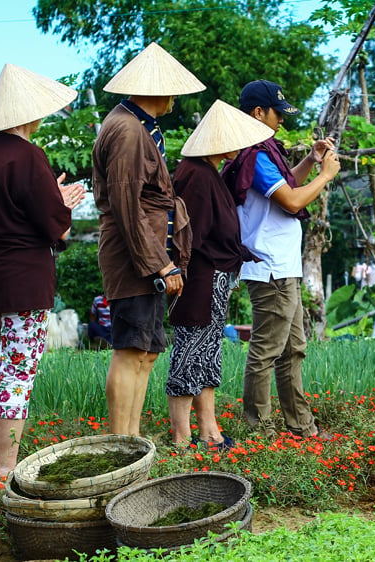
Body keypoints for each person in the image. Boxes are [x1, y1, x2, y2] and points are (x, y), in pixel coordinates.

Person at [0, 64, 82, 480]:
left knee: (1, 370)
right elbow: (54, 223)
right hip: (24, 278)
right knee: (18, 374)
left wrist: (51, 198)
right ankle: (6, 470)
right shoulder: (28, 155)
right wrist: (63, 202)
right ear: (29, 113)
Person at [92, 42, 204, 436]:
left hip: (149, 253)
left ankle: (132, 438)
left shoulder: (140, 125)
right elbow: (126, 204)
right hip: (134, 257)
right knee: (130, 350)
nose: (175, 97)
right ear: (156, 90)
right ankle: (120, 441)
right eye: (171, 89)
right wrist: (161, 262)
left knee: (146, 352)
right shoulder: (125, 129)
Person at [224, 80, 341, 440]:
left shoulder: (262, 153)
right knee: (267, 350)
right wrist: (325, 175)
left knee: (293, 349)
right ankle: (258, 430)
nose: (281, 122)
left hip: (281, 266)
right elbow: (291, 201)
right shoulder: (255, 156)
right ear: (258, 113)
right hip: (269, 266)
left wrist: (311, 160)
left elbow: (287, 185)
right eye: (277, 114)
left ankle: (300, 425)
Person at [166, 99, 274, 450]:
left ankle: (209, 430)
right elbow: (190, 237)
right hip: (200, 278)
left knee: (208, 352)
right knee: (190, 351)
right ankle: (182, 436)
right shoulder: (196, 175)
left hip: (213, 276)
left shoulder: (207, 171)